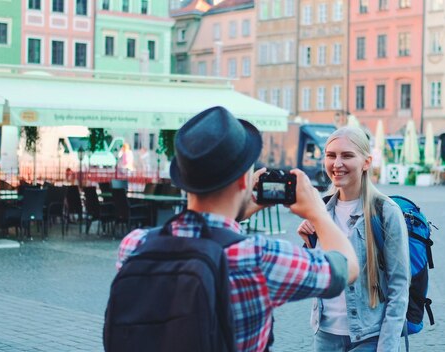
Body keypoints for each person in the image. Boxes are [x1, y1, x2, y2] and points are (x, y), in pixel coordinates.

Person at [116, 106, 360, 352]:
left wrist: (239, 208)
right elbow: (347, 267)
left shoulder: (134, 245)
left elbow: (203, 234)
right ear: (245, 180)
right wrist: (318, 212)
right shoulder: (259, 257)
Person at [298, 126, 410, 352]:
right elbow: (315, 279)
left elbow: (399, 286)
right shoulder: (320, 210)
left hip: (369, 336)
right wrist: (309, 245)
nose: (337, 164)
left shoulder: (386, 212)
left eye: (347, 155)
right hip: (326, 335)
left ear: (366, 162)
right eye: (331, 155)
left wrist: (387, 346)